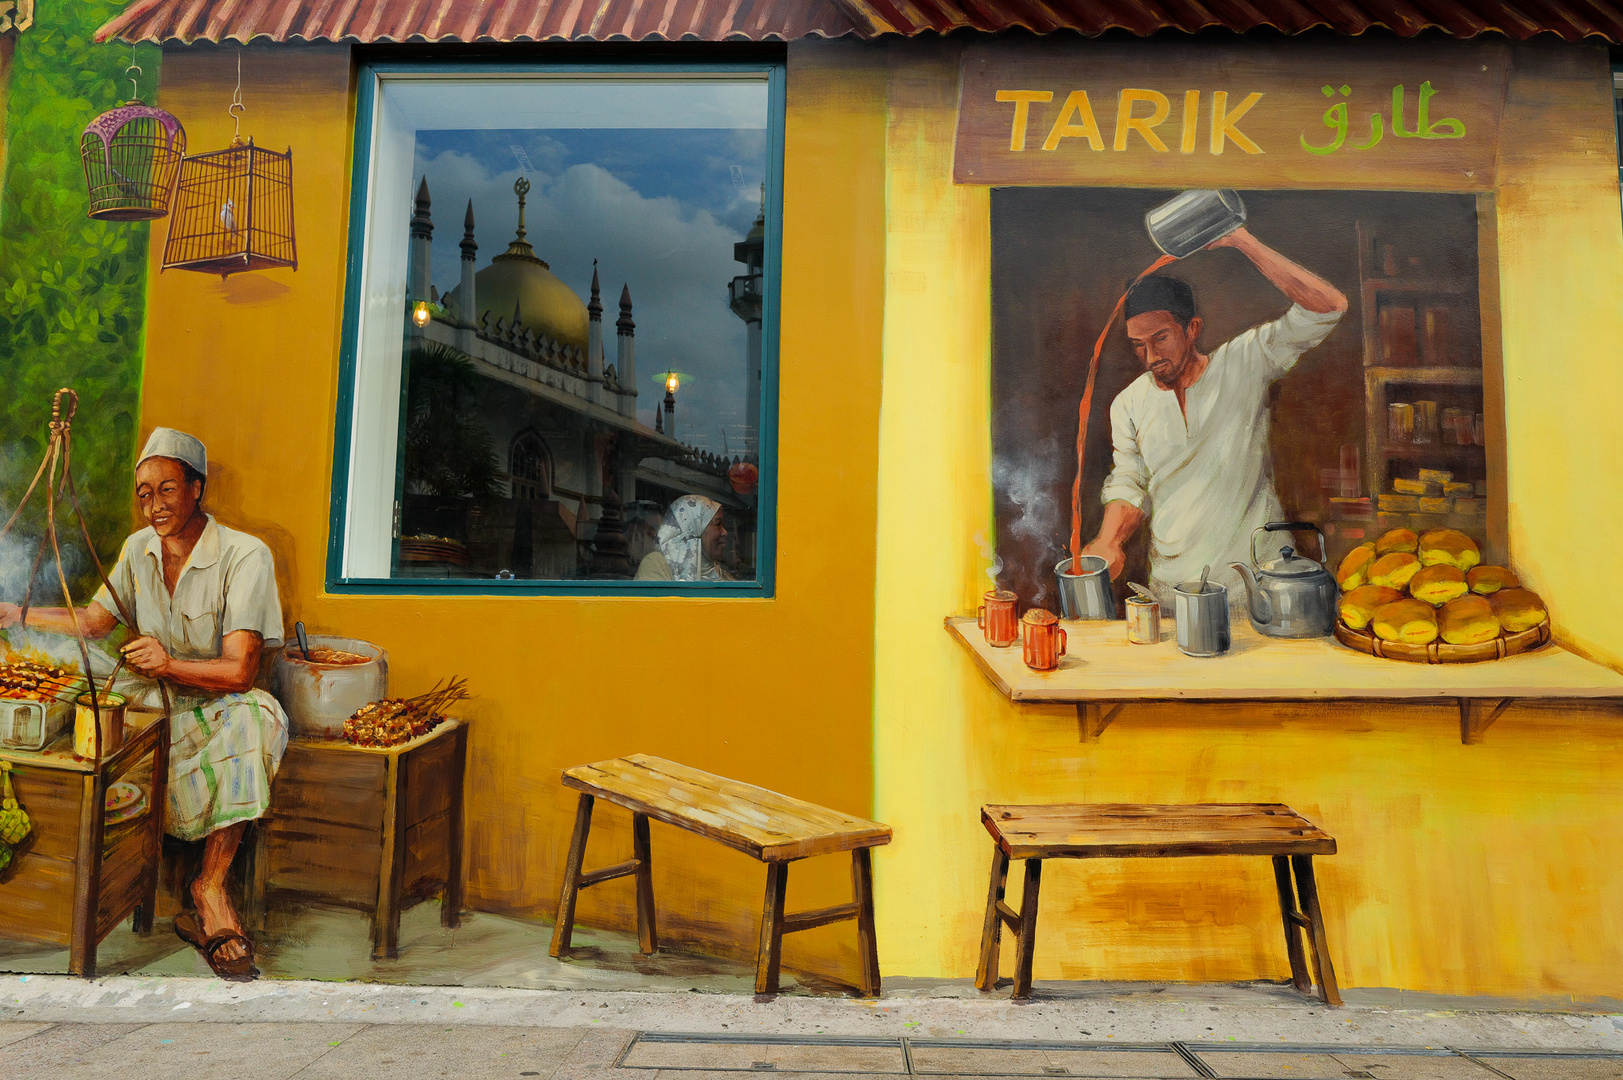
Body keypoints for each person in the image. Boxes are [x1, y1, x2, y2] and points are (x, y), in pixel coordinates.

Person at [0, 428, 287, 980]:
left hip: (218, 702)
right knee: (89, 724)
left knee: (257, 720)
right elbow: (93, 622)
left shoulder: (245, 555)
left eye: (168, 490)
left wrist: (169, 664)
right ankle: (98, 888)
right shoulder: (138, 550)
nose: (154, 506)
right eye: (144, 494)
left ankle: (209, 889)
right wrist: (20, 613)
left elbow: (239, 670)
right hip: (150, 697)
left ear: (196, 489)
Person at [1080, 227, 1348, 609]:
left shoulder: (1245, 360)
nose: (1150, 356)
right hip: (1176, 591)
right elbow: (1129, 480)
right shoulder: (1128, 403)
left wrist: (1244, 242)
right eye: (1138, 345)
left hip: (1259, 584)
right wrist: (1109, 540)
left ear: (1192, 329)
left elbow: (1328, 307)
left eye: (1160, 337)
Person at [633, 495, 734, 582]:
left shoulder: (723, 576)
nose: (725, 532)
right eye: (717, 524)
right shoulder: (656, 565)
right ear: (692, 529)